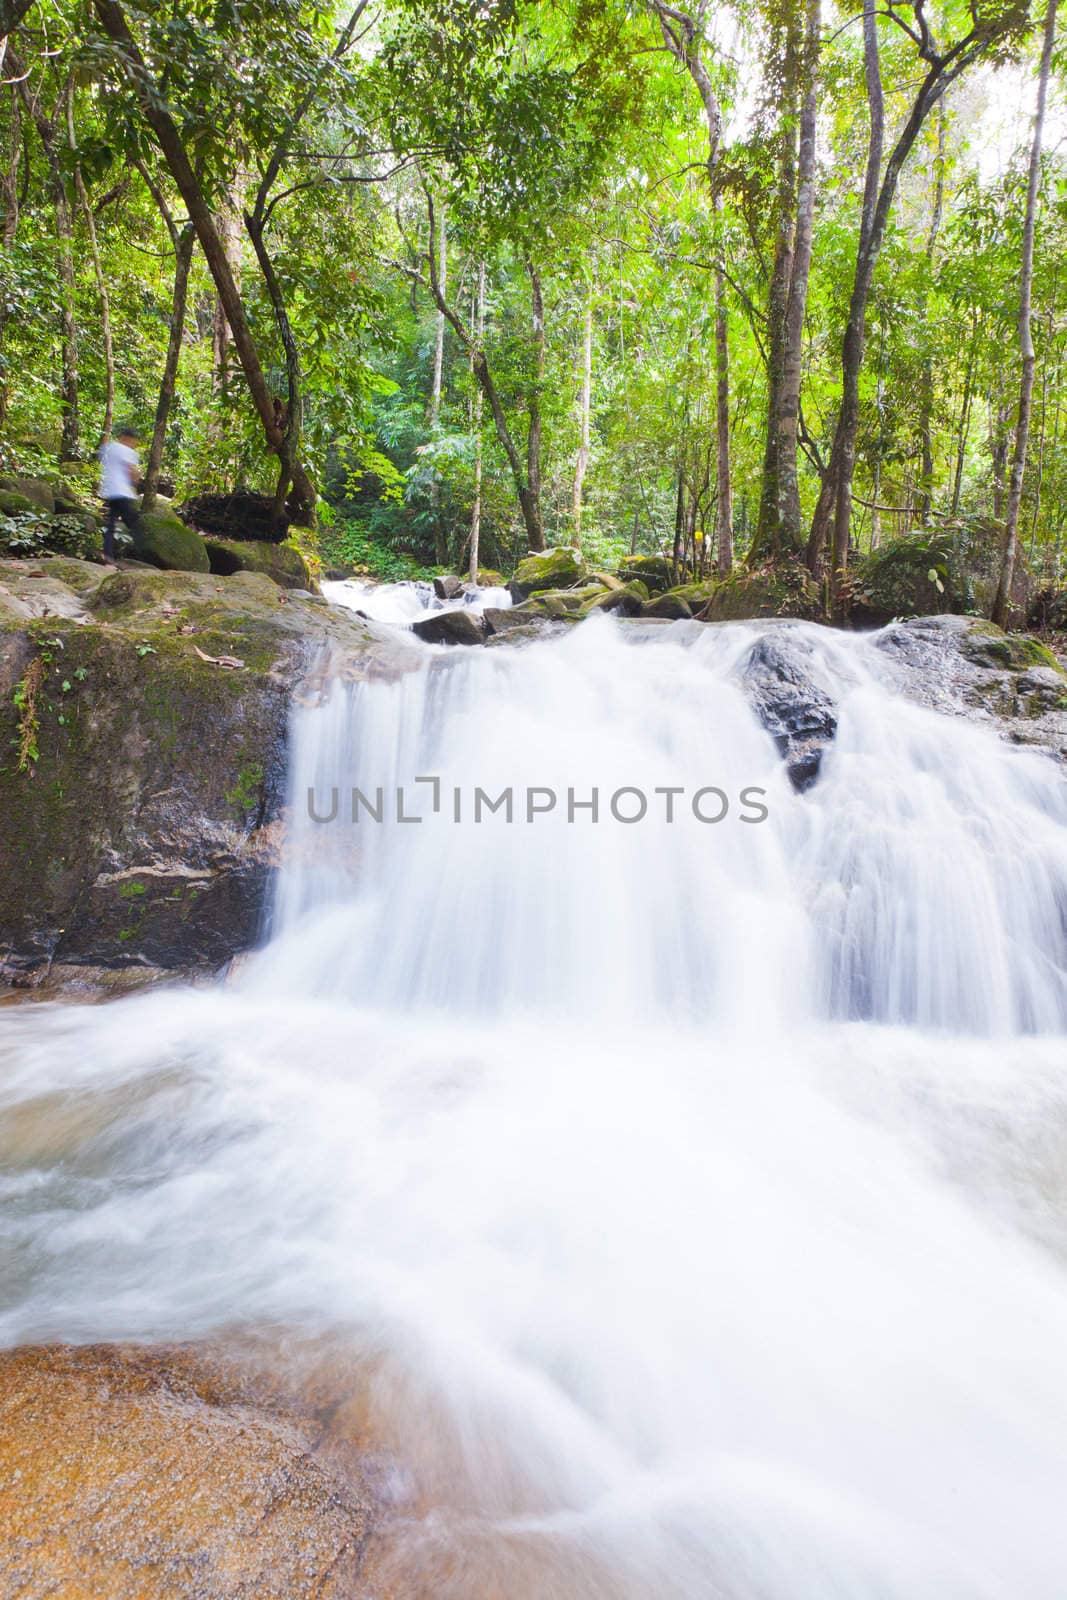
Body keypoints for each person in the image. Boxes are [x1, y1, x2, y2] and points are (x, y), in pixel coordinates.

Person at [98, 428, 144, 561]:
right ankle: (143, 552)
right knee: (134, 522)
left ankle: (108, 555)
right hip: (122, 491)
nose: (133, 445)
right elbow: (131, 472)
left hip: (110, 490)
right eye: (133, 442)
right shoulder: (128, 451)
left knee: (111, 524)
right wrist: (137, 478)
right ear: (128, 439)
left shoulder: (108, 447)